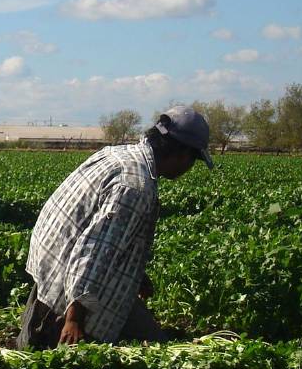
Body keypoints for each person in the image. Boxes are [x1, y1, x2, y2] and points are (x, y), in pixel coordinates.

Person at [16, 106, 213, 350]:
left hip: (52, 264)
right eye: (194, 160)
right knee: (55, 356)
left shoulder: (119, 154)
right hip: (67, 285)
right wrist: (74, 319)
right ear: (182, 153)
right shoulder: (135, 186)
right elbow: (94, 251)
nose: (189, 168)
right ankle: (57, 329)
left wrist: (135, 274)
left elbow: (107, 236)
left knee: (151, 339)